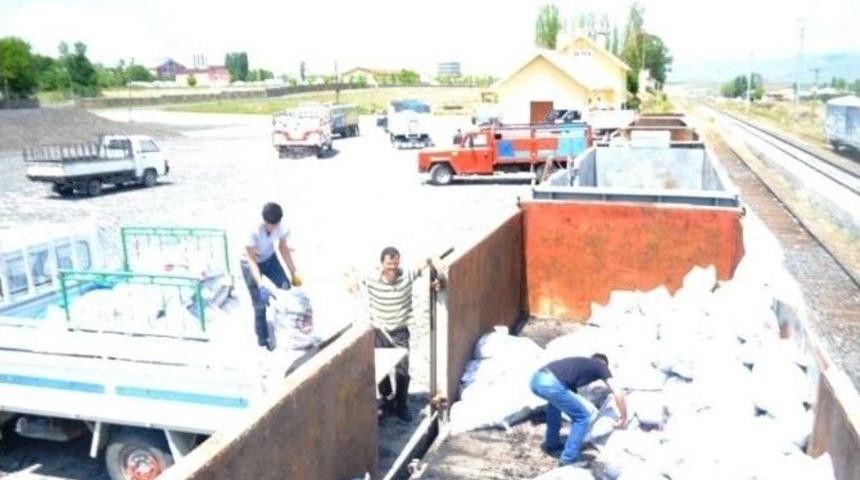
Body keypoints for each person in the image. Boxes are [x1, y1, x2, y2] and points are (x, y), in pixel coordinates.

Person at [362, 246, 441, 422]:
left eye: (395, 263)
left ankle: (401, 404)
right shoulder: (371, 279)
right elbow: (350, 278)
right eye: (389, 263)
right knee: (380, 371)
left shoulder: (407, 275)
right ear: (382, 264)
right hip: (380, 332)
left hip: (400, 332)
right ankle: (387, 399)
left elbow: (428, 260)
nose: (392, 268)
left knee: (403, 371)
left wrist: (436, 280)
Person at [530, 353, 628, 467]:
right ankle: (568, 459)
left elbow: (571, 395)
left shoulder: (578, 366)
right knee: (582, 417)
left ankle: (552, 444)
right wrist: (623, 416)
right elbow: (618, 393)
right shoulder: (601, 366)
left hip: (536, 380)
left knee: (554, 407)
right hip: (550, 383)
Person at [241, 202, 302, 350]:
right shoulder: (252, 230)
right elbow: (251, 260)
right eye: (269, 225)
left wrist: (294, 272)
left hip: (269, 258)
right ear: (263, 221)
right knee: (260, 304)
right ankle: (262, 340)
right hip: (249, 262)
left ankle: (289, 330)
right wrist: (261, 285)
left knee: (286, 288)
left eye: (274, 225)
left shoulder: (282, 227)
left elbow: (283, 248)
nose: (271, 229)